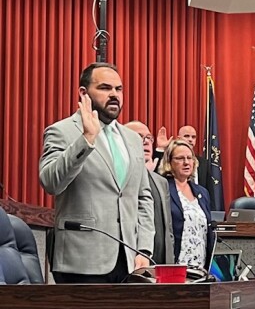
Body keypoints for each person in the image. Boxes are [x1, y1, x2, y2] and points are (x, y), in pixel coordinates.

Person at [39, 62, 154, 283]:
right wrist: (86, 140)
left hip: (129, 263)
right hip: (81, 263)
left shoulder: (132, 139)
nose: (114, 95)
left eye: (118, 89)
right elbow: (50, 182)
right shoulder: (61, 131)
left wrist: (144, 249)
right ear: (84, 93)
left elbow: (143, 198)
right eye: (104, 88)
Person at [125, 121, 175, 264]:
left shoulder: (161, 182)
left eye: (149, 138)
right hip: (131, 261)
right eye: (139, 136)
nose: (146, 141)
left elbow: (168, 230)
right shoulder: (119, 175)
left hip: (160, 264)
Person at [160, 139, 214, 266]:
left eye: (189, 158)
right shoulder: (163, 188)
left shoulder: (202, 192)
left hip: (200, 266)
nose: (186, 162)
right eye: (180, 158)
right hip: (174, 263)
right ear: (169, 162)